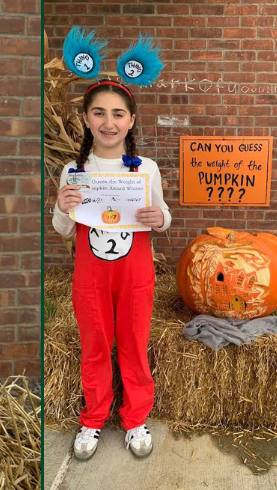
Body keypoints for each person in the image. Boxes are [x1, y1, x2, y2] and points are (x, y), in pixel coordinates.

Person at [53, 79, 171, 460]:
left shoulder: (145, 169)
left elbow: (162, 216)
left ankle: (136, 418)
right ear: (86, 119)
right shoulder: (74, 170)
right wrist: (61, 205)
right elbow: (65, 229)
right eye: (99, 113)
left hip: (135, 276)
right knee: (95, 347)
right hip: (90, 277)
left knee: (135, 345)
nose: (109, 122)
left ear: (131, 120)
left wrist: (160, 217)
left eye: (117, 113)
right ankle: (93, 418)